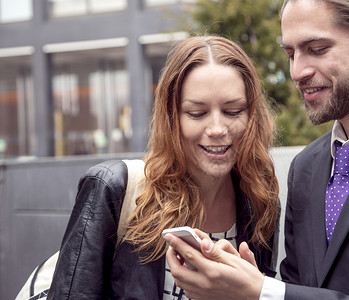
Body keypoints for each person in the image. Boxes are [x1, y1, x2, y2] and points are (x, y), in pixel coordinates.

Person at [165, 0, 349, 299]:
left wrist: (265, 292)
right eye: (290, 54)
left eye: (317, 49)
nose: (297, 71)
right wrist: (249, 287)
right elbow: (296, 287)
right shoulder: (305, 168)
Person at [47, 35, 280, 299]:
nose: (217, 129)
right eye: (197, 113)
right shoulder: (112, 188)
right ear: (171, 118)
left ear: (252, 116)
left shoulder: (259, 203)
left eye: (233, 111)